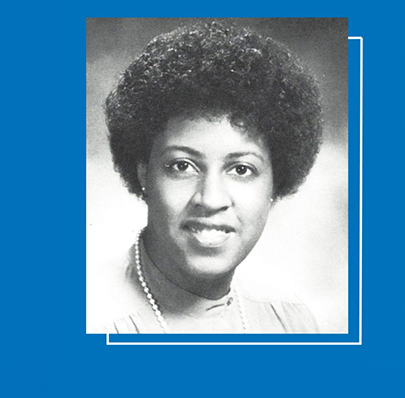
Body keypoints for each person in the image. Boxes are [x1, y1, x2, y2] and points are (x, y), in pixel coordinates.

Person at [95, 22, 323, 333]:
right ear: (143, 172)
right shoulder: (88, 320)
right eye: (182, 166)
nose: (211, 199)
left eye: (241, 169)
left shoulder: (290, 322)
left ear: (275, 183)